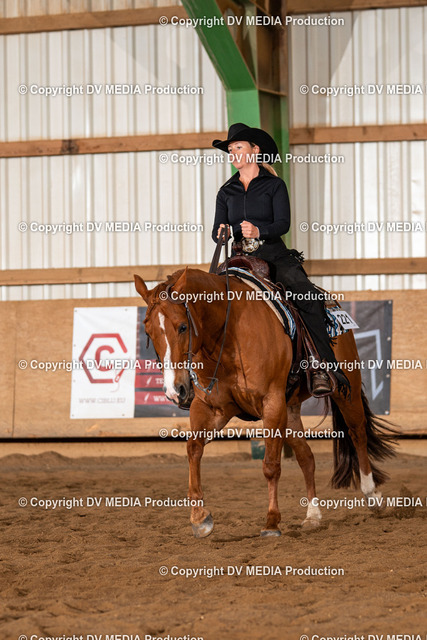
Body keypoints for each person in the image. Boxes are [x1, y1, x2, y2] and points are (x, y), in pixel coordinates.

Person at [211, 122, 349, 397]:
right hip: (238, 258)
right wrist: (222, 232)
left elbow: (283, 223)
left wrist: (259, 231)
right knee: (208, 301)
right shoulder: (226, 192)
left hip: (273, 255)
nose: (233, 153)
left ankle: (322, 366)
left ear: (254, 150)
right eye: (230, 149)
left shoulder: (274, 185)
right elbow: (217, 231)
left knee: (306, 296)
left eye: (238, 147)